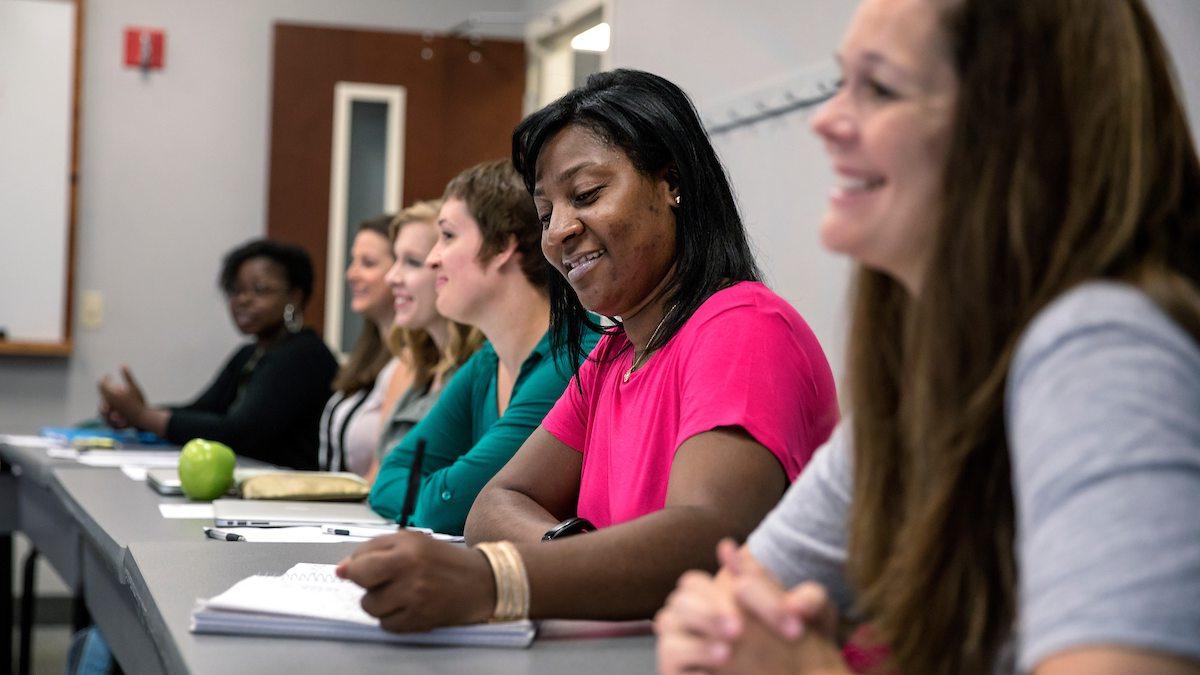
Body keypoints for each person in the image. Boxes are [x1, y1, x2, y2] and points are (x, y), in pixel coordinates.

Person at [653, 1, 1200, 674]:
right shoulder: (934, 364)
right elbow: (736, 598)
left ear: (1016, 129)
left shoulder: (1103, 350)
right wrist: (730, 626)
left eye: (878, 88)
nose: (825, 119)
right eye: (841, 82)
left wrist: (809, 668)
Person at [336, 70, 838, 631]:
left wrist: (499, 580)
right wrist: (571, 550)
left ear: (673, 181)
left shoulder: (743, 326)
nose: (559, 232)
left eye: (587, 195)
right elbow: (495, 501)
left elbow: (706, 537)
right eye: (546, 213)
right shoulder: (613, 356)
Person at [366, 159, 597, 535]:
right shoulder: (486, 362)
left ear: (504, 245)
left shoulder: (570, 359)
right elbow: (392, 474)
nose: (432, 258)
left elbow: (457, 507)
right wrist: (437, 496)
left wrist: (436, 497)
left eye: (448, 236)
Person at [97, 239, 338, 469]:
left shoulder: (304, 354)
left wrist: (143, 416)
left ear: (295, 297)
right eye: (236, 290)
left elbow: (238, 432)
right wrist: (137, 413)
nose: (243, 299)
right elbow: (203, 410)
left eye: (260, 289)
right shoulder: (249, 354)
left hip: (294, 500)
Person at [365, 200, 483, 483]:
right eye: (395, 260)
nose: (392, 277)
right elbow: (376, 479)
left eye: (412, 262)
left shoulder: (485, 369)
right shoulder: (412, 366)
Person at [318, 215, 398, 475]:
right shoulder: (367, 353)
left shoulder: (411, 365)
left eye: (368, 263)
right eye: (353, 261)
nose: (351, 274)